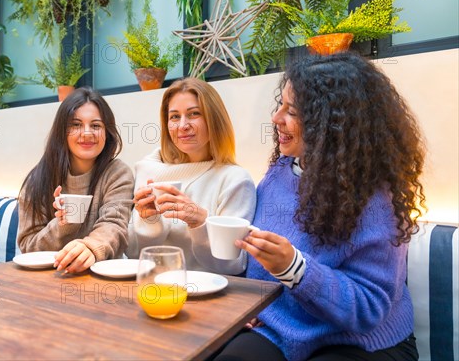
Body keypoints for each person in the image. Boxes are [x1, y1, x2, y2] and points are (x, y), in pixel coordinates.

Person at [214, 52, 424, 361]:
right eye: (280, 105)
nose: (276, 119)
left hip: (358, 339)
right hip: (281, 328)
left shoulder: (377, 199)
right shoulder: (280, 173)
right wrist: (248, 307)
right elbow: (257, 259)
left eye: (293, 111)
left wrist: (295, 269)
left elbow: (367, 309)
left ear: (335, 122)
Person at [127, 77, 256, 275]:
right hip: (151, 287)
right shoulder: (148, 170)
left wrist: (201, 223)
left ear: (214, 119)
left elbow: (233, 266)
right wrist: (149, 221)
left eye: (194, 114)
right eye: (174, 117)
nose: (183, 125)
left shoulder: (235, 180)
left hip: (209, 295)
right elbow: (134, 254)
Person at [18, 88, 134, 273]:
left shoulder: (117, 173)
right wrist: (62, 225)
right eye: (76, 125)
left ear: (107, 132)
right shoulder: (39, 179)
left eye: (96, 125)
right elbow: (27, 247)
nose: (87, 133)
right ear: (62, 132)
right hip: (47, 280)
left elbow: (114, 226)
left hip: (100, 280)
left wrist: (90, 247)